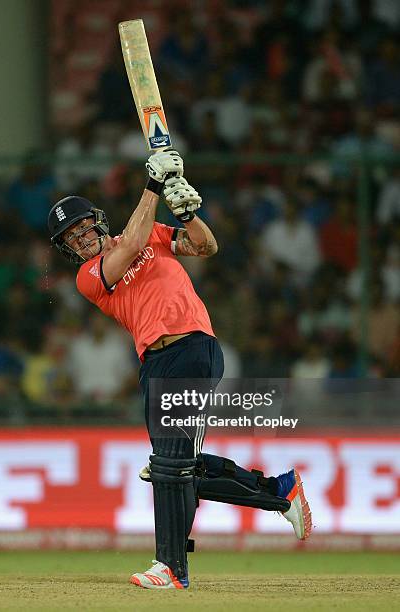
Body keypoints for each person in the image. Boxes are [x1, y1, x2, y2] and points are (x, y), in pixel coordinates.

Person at [47, 150, 312, 590]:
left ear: (97, 221)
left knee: (171, 466)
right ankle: (278, 491)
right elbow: (130, 245)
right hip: (155, 361)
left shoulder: (150, 231)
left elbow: (206, 246)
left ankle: (171, 567)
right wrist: (153, 185)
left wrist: (189, 214)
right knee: (172, 466)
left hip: (192, 347)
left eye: (80, 228)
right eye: (69, 238)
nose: (78, 239)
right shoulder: (89, 276)